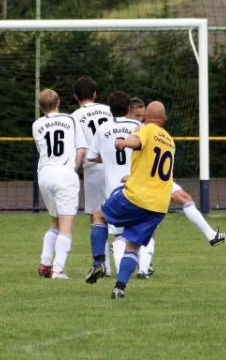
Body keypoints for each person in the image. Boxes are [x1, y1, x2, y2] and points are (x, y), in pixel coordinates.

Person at [85, 101, 175, 300]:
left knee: (99, 215)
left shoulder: (146, 129)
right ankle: (119, 288)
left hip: (138, 197)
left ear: (145, 117)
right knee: (132, 245)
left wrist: (125, 142)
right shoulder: (169, 140)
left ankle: (99, 262)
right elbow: (154, 170)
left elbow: (137, 139)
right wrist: (132, 177)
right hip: (159, 205)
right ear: (165, 119)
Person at [86, 91, 142, 278]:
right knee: (139, 228)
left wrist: (108, 157)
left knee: (112, 228)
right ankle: (140, 268)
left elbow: (92, 156)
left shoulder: (102, 128)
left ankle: (103, 265)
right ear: (128, 108)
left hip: (113, 186)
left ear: (110, 110)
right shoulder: (137, 126)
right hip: (138, 184)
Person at [34, 89, 88, 279]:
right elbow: (81, 150)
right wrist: (74, 168)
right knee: (66, 225)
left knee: (56, 221)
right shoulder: (71, 120)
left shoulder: (37, 124)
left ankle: (45, 263)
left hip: (45, 175)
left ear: (41, 106)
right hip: (64, 174)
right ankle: (58, 269)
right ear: (58, 102)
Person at [71, 77, 112, 222]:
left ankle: (103, 246)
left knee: (96, 216)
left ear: (76, 96)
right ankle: (122, 244)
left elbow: (78, 149)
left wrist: (72, 170)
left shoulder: (74, 117)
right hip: (116, 166)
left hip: (93, 169)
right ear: (94, 94)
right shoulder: (109, 110)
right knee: (120, 214)